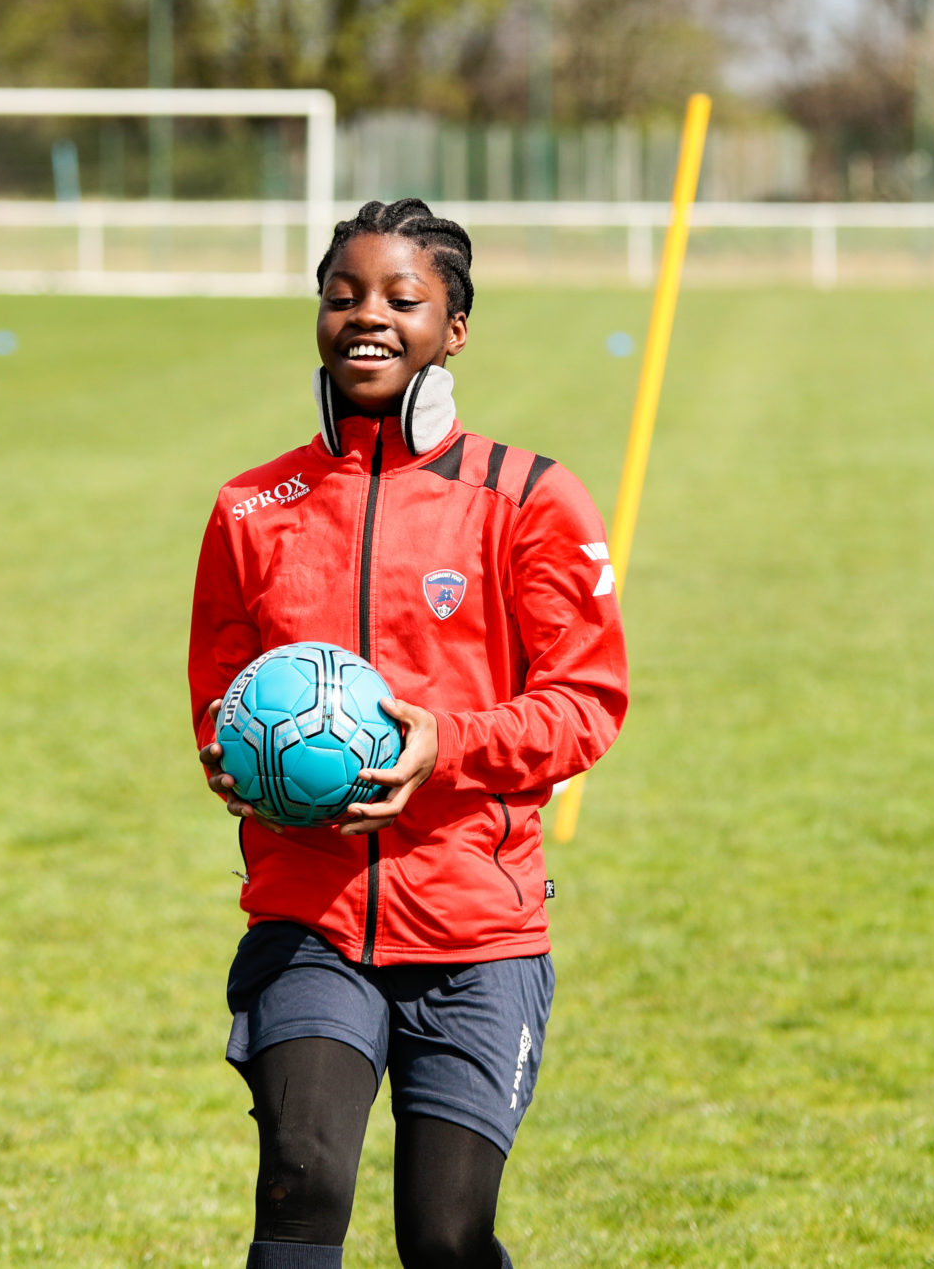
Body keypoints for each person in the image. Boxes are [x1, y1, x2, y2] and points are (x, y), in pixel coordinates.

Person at [189, 199, 629, 1269]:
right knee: (304, 1184)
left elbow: (588, 702)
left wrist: (443, 746)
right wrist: (235, 762)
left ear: (455, 327)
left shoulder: (527, 499)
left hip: (478, 931)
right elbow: (217, 697)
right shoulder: (253, 508)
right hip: (311, 917)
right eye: (342, 297)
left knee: (444, 1238)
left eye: (401, 298)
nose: (366, 318)